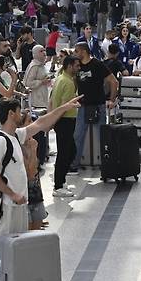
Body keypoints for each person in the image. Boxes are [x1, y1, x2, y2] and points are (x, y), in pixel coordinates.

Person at [0, 96, 81, 238]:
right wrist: (12, 194)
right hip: (8, 206)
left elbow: (41, 123)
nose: (21, 114)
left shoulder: (16, 135)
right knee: (7, 248)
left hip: (19, 204)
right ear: (11, 114)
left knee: (18, 247)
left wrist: (64, 107)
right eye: (18, 111)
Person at [71, 42, 119, 172]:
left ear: (83, 51)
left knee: (102, 136)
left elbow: (113, 81)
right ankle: (74, 164)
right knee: (78, 135)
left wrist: (112, 99)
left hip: (98, 105)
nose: (75, 54)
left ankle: (107, 164)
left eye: (76, 51)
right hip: (83, 106)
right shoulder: (77, 66)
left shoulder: (97, 64)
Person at [49, 55, 81, 196]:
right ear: (69, 66)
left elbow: (52, 100)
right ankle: (58, 184)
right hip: (65, 120)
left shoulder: (61, 78)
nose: (78, 68)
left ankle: (61, 179)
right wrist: (54, 120)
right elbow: (63, 106)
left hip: (63, 120)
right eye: (76, 66)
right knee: (64, 153)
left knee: (70, 151)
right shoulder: (67, 83)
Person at [24, 45, 52, 109]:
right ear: (35, 53)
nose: (44, 53)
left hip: (43, 95)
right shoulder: (34, 66)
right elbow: (28, 83)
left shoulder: (41, 65)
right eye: (41, 51)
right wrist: (42, 82)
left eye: (44, 50)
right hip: (36, 99)